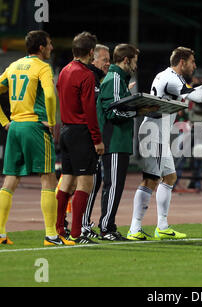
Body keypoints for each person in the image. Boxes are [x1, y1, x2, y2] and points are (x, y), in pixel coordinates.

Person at [0, 30, 73, 246]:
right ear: (41, 47)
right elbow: (51, 95)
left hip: (15, 127)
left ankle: (0, 233)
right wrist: (52, 122)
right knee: (48, 178)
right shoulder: (42, 67)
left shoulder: (14, 66)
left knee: (11, 179)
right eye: (49, 44)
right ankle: (51, 235)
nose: (52, 48)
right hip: (35, 126)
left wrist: (5, 122)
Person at [127, 47, 202, 240]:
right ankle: (134, 228)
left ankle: (162, 226)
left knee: (169, 177)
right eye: (192, 62)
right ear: (182, 62)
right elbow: (197, 97)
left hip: (157, 132)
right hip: (153, 132)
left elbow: (189, 94)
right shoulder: (172, 78)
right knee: (150, 179)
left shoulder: (167, 75)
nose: (194, 66)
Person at [95, 43, 152, 241]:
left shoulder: (117, 79)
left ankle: (107, 226)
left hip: (117, 141)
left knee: (113, 186)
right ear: (126, 60)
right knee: (113, 186)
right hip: (115, 141)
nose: (136, 66)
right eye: (134, 61)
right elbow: (113, 111)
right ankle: (106, 228)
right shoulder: (115, 78)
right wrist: (138, 110)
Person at [56, 32, 105, 245]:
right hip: (81, 132)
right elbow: (89, 111)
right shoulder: (86, 75)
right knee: (86, 182)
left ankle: (58, 229)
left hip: (65, 130)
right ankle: (77, 233)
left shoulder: (64, 71)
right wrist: (97, 139)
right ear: (91, 52)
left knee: (66, 180)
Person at [80, 44, 111, 238]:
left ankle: (79, 223)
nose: (108, 63)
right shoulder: (90, 78)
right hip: (84, 137)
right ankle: (80, 225)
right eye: (105, 59)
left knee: (90, 180)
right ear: (93, 60)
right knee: (83, 181)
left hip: (85, 136)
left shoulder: (97, 79)